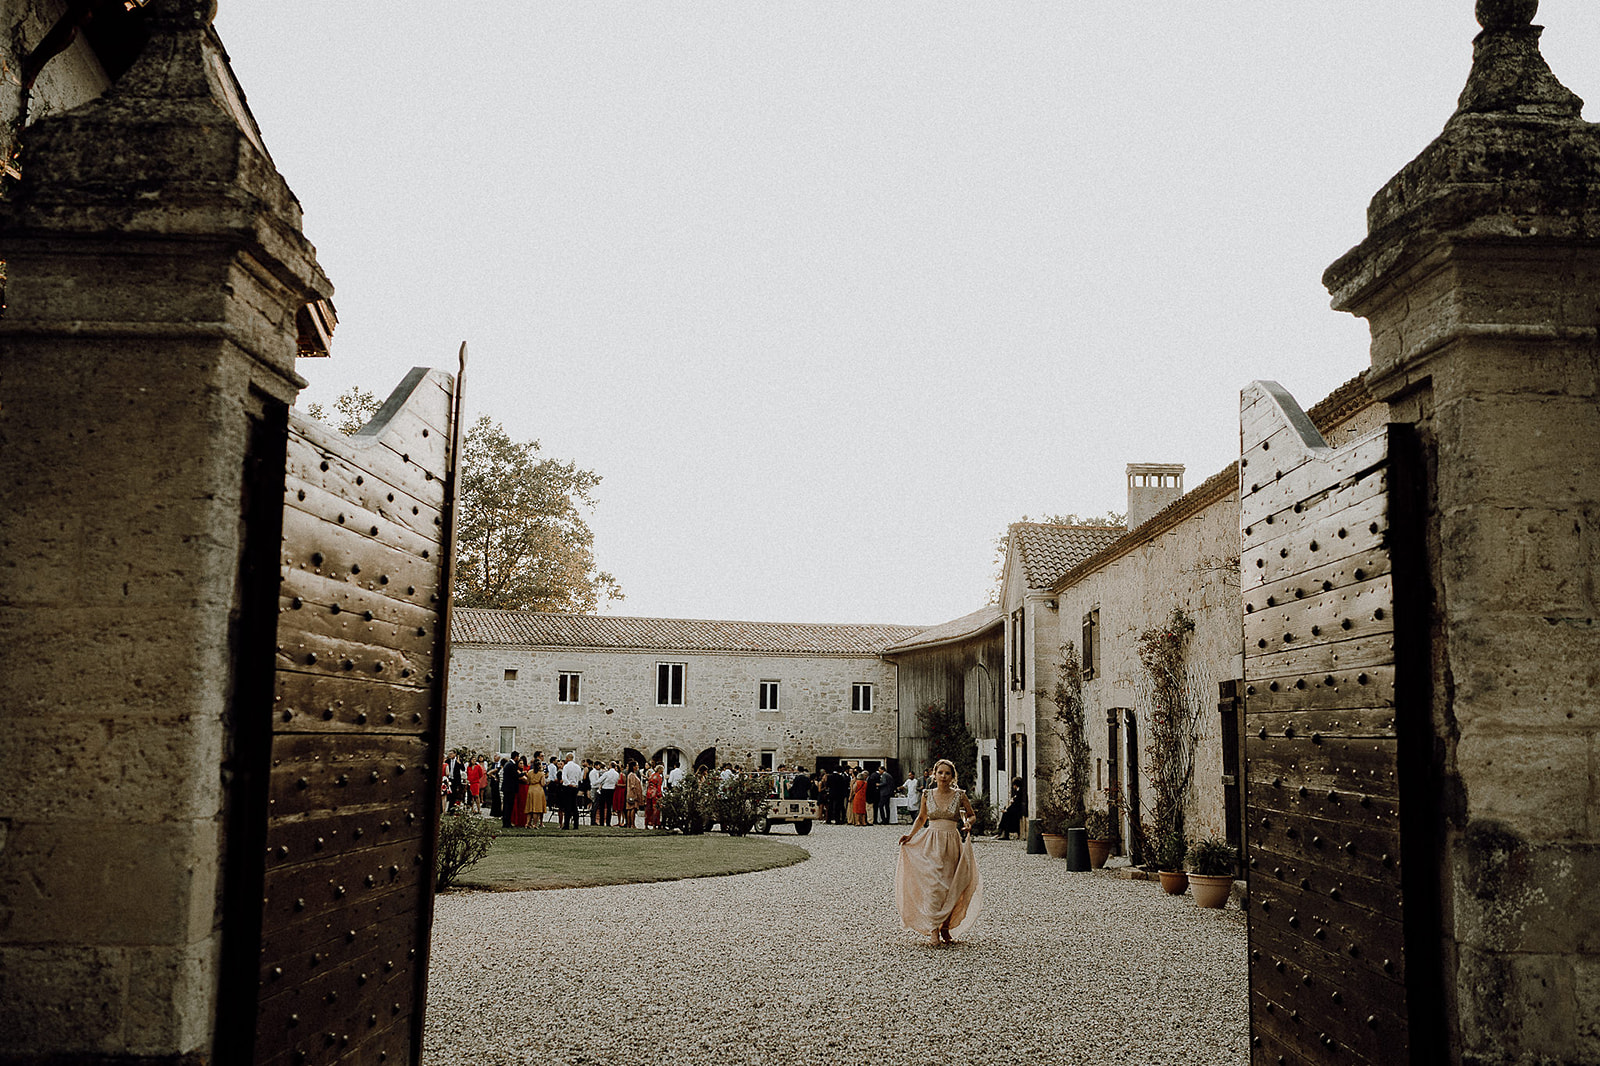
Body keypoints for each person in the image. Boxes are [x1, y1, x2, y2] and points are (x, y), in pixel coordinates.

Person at [896, 758, 983, 947]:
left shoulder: (960, 795)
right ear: (934, 775)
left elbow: (971, 815)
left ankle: (946, 927)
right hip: (931, 843)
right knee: (934, 886)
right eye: (940, 772)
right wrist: (910, 835)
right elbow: (921, 818)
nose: (943, 776)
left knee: (951, 887)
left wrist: (968, 823)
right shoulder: (927, 794)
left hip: (952, 844)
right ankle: (934, 929)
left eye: (947, 773)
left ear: (952, 776)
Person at [500, 753, 522, 828]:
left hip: (507, 788)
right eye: (518, 757)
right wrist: (522, 774)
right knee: (508, 806)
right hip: (510, 788)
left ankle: (506, 822)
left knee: (506, 805)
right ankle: (507, 823)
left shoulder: (508, 764)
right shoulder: (511, 765)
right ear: (515, 757)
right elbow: (515, 775)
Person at [525, 758, 547, 828]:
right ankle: (534, 824)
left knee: (530, 807)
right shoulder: (541, 773)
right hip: (538, 789)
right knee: (536, 808)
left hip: (531, 789)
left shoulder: (530, 772)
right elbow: (543, 783)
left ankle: (527, 823)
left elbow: (527, 782)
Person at [644, 763, 664, 828]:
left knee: (648, 809)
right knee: (655, 809)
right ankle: (654, 824)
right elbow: (658, 787)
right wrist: (660, 795)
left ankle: (646, 824)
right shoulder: (659, 777)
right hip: (655, 794)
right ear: (659, 769)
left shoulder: (651, 776)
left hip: (649, 793)